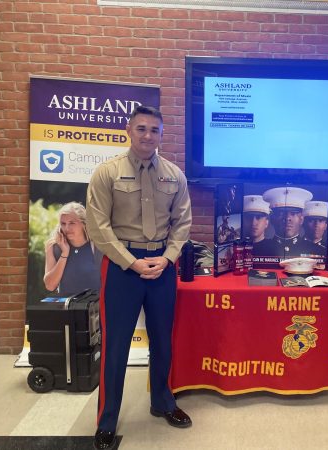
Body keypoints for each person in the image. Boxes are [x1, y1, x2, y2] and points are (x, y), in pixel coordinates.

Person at [86, 106, 192, 450]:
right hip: (121, 268)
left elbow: (183, 223)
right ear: (129, 130)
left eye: (155, 130)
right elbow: (98, 227)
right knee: (115, 347)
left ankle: (163, 402)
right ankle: (107, 421)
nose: (148, 136)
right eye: (142, 128)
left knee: (163, 340)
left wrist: (167, 258)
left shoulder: (175, 175)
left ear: (162, 135)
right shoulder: (107, 173)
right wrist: (132, 262)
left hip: (161, 265)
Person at [43, 201, 102, 297]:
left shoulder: (98, 246)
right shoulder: (53, 247)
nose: (67, 228)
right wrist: (65, 253)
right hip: (67, 308)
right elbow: (50, 286)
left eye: (72, 223)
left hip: (93, 308)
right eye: (63, 223)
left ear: (84, 223)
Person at [259, 186, 322, 258]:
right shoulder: (258, 249)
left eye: (293, 213)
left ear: (301, 219)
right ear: (272, 219)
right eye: (281, 213)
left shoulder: (317, 250)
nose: (287, 218)